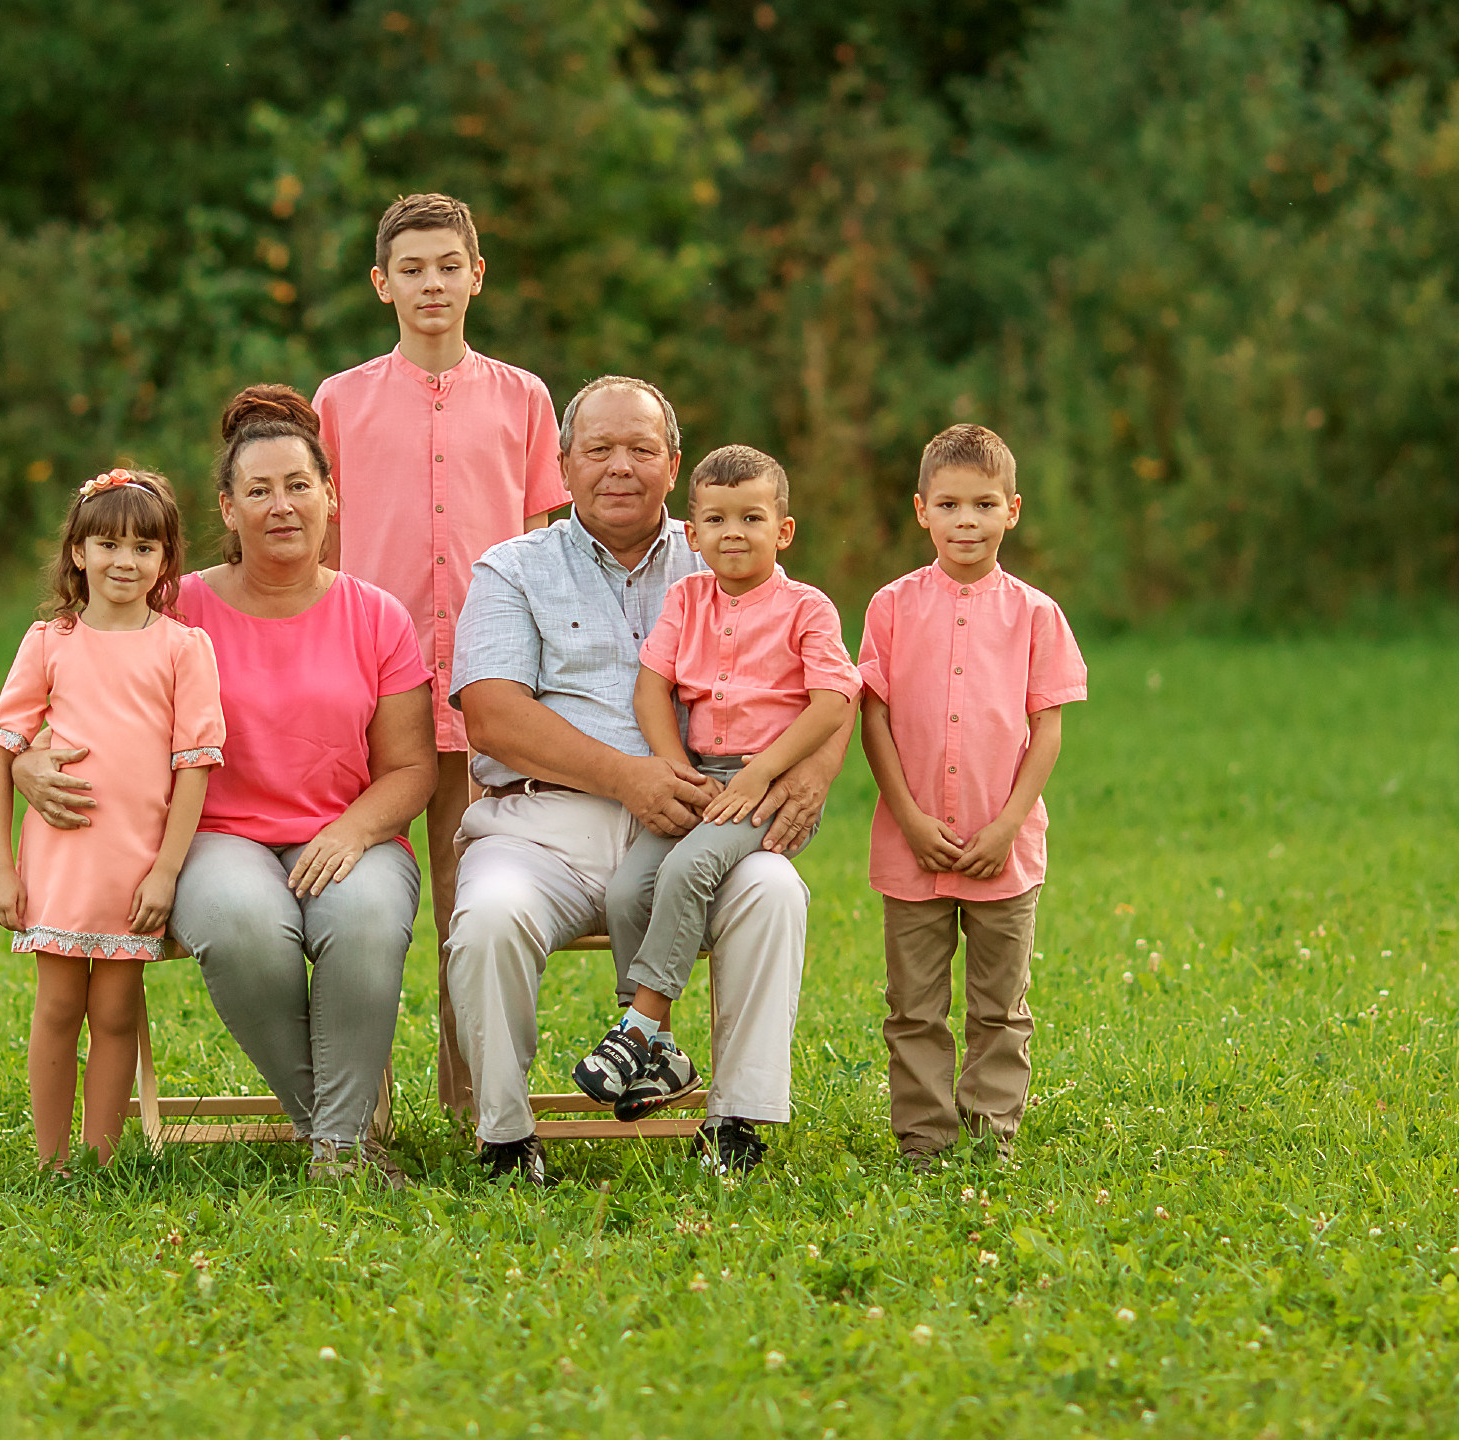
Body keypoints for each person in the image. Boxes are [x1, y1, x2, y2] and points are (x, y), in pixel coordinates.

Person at [13, 388, 438, 1188]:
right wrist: (30, 758)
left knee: (368, 918)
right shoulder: (181, 607)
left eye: (299, 486)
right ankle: (339, 1140)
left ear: (330, 496)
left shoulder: (376, 616)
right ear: (228, 509)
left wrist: (350, 833)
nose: (282, 506)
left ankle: (335, 1149)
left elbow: (411, 767)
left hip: (349, 831)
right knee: (243, 927)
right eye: (258, 491)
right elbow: (79, 677)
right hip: (210, 835)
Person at [449, 376, 854, 1183]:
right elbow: (490, 714)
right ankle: (504, 1136)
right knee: (488, 917)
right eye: (597, 449)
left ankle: (735, 1122)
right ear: (562, 465)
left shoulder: (727, 543)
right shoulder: (512, 567)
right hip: (542, 831)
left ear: (673, 464)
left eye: (640, 449)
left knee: (774, 891)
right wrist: (627, 777)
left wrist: (813, 770)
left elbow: (830, 681)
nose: (619, 467)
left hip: (706, 822)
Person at [315, 193, 570, 1114]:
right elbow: (320, 554)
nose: (432, 283)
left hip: (487, 686)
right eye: (412, 268)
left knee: (474, 889)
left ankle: (475, 1097)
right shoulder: (337, 402)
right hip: (368, 690)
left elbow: (544, 550)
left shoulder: (525, 398)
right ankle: (361, 1098)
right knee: (362, 897)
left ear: (476, 275)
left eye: (448, 265)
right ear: (382, 284)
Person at [572, 445, 860, 1120]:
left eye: (751, 517)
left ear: (781, 531)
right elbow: (652, 689)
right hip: (698, 776)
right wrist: (671, 764)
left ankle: (637, 1027)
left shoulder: (806, 609)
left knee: (688, 870)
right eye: (717, 520)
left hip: (768, 785)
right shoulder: (686, 598)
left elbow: (830, 701)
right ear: (691, 533)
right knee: (627, 889)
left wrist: (761, 775)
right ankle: (662, 1055)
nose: (734, 533)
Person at [856, 424, 1088, 1175]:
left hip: (1003, 850)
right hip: (911, 844)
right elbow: (874, 716)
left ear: (1011, 511)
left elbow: (1045, 729)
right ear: (920, 510)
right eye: (948, 504)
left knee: (999, 1006)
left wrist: (1007, 825)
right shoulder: (889, 608)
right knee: (913, 1008)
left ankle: (991, 1134)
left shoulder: (1035, 614)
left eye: (983, 504)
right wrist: (910, 818)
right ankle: (924, 1140)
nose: (966, 521)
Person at [0, 469, 225, 1167]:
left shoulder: (183, 648)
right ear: (78, 553)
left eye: (145, 548)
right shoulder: (49, 641)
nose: (126, 562)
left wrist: (166, 871)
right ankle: (52, 1159)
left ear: (166, 561)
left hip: (134, 868)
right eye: (108, 544)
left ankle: (101, 1159)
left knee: (117, 1012)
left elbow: (194, 766)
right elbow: (1, 756)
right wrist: (2, 869)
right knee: (58, 1008)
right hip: (61, 864)